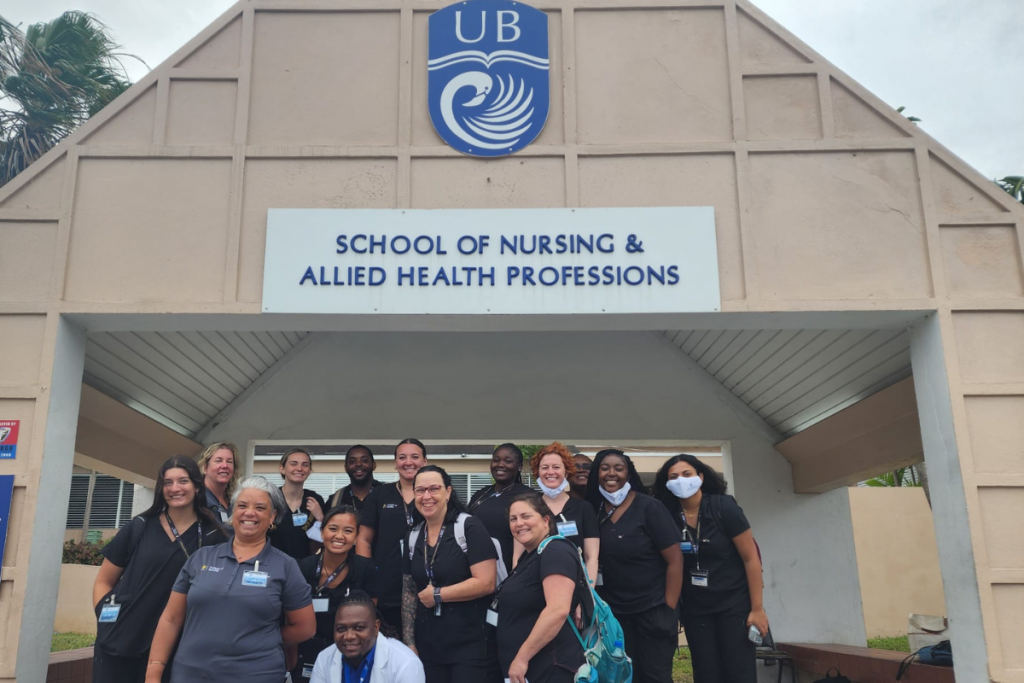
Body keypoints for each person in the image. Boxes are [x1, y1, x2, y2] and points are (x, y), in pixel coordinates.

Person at [145, 476, 316, 683]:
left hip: (256, 675)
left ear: (272, 517)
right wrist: (154, 671)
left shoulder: (285, 566)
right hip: (190, 674)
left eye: (260, 508)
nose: (249, 512)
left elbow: (305, 628)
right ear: (233, 512)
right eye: (242, 505)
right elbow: (171, 620)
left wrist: (263, 640)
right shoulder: (201, 558)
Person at [92, 455, 228, 683]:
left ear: (197, 486)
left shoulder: (215, 536)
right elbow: (103, 580)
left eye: (183, 481)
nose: (175, 488)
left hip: (178, 647)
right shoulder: (140, 527)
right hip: (121, 642)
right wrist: (105, 619)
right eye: (168, 482)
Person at [652, 455, 767, 683]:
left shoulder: (723, 507)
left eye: (687, 474)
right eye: (673, 477)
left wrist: (757, 609)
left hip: (734, 606)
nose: (680, 480)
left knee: (739, 672)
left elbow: (751, 559)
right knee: (706, 673)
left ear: (701, 477)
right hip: (696, 609)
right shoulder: (667, 515)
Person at [585, 449, 683, 683]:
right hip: (615, 614)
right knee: (623, 675)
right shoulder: (594, 510)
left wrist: (668, 610)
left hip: (653, 608)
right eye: (604, 468)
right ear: (597, 473)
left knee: (654, 676)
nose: (611, 473)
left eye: (618, 468)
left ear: (628, 473)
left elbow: (675, 560)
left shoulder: (649, 507)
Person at [401, 465, 499, 683]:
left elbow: (487, 582)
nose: (426, 496)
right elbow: (409, 591)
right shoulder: (413, 535)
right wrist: (409, 642)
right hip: (428, 645)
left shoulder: (468, 526)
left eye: (434, 489)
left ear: (448, 492)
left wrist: (438, 594)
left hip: (470, 644)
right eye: (420, 490)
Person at [497, 492, 586, 683]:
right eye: (513, 519)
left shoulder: (555, 550)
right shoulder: (530, 556)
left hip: (551, 668)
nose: (519, 523)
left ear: (546, 520)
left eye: (526, 516)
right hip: (531, 670)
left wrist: (522, 658)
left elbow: (557, 610)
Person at [293, 505, 378, 681]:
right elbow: (291, 618)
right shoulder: (303, 568)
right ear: (322, 532)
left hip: (352, 653)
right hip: (306, 653)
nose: (339, 536)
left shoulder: (366, 569)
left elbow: (370, 619)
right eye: (333, 529)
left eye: (348, 531)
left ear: (355, 537)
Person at [356, 438, 427, 634]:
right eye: (402, 457)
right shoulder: (380, 495)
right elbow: (363, 539)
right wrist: (368, 578)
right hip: (386, 585)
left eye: (415, 457)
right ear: (395, 463)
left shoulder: (432, 495)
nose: (408, 462)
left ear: (425, 461)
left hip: (426, 584)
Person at [310, 590, 425, 683]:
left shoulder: (406, 663)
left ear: (376, 627)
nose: (349, 636)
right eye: (341, 629)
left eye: (359, 628)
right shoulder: (324, 659)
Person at [530, 442, 599, 582]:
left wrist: (589, 593)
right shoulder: (529, 506)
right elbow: (518, 556)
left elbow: (591, 557)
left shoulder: (583, 508)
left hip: (575, 584)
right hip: (533, 584)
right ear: (537, 472)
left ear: (566, 472)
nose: (550, 472)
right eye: (544, 467)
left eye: (556, 467)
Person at [468, 443, 532, 572]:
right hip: (475, 569)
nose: (500, 464)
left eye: (508, 461)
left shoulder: (528, 497)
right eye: (496, 460)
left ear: (519, 466)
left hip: (511, 570)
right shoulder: (481, 494)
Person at [270, 447, 327, 560]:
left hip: (303, 566)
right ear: (282, 468)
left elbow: (317, 545)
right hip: (272, 564)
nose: (299, 468)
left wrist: (321, 519)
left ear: (310, 470)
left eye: (305, 465)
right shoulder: (270, 498)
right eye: (293, 464)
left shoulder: (315, 500)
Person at [326, 445, 384, 511]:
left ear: (374, 465)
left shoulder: (389, 492)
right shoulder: (335, 500)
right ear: (345, 468)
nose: (358, 464)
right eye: (352, 462)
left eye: (364, 460)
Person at [198, 442, 240, 523]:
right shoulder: (197, 501)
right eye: (218, 461)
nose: (225, 465)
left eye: (229, 461)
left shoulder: (234, 502)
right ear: (205, 468)